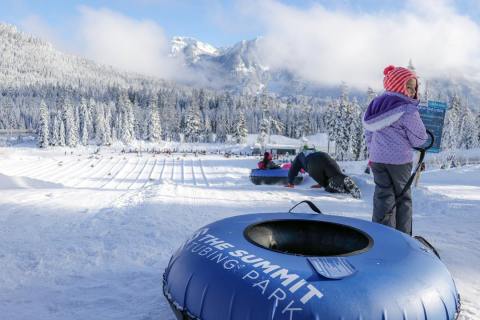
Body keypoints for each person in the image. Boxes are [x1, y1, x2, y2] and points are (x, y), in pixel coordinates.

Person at [363, 65, 427, 235]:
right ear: (398, 85)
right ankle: (403, 238)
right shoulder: (406, 109)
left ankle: (382, 235)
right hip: (399, 162)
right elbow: (419, 139)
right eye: (409, 86)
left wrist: (373, 152)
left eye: (415, 88)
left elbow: (369, 132)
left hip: (377, 160)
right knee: (403, 198)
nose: (413, 92)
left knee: (383, 197)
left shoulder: (376, 105)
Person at [286, 150, 361, 199]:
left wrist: (290, 182)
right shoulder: (314, 151)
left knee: (328, 186)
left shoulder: (299, 156)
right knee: (336, 175)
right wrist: (320, 183)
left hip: (312, 164)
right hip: (326, 157)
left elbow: (293, 168)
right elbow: (322, 164)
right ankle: (346, 183)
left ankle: (336, 187)